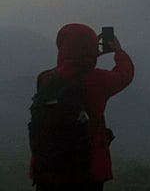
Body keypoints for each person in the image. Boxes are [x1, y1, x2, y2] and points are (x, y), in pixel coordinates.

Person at [30, 23, 135, 191]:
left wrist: (87, 57)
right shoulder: (97, 80)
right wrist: (118, 51)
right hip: (86, 172)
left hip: (46, 170)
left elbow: (70, 70)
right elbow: (124, 74)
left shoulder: (44, 78)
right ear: (91, 47)